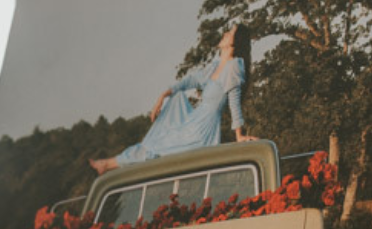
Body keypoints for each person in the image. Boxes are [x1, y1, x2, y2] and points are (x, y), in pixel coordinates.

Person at [90, 24, 259, 175]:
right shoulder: (216, 65)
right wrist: (164, 95)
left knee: (157, 147)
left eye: (230, 32)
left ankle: (108, 164)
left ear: (235, 42)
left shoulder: (234, 67)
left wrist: (239, 135)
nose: (225, 33)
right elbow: (191, 80)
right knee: (175, 101)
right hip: (193, 121)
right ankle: (108, 163)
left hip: (202, 130)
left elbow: (234, 102)